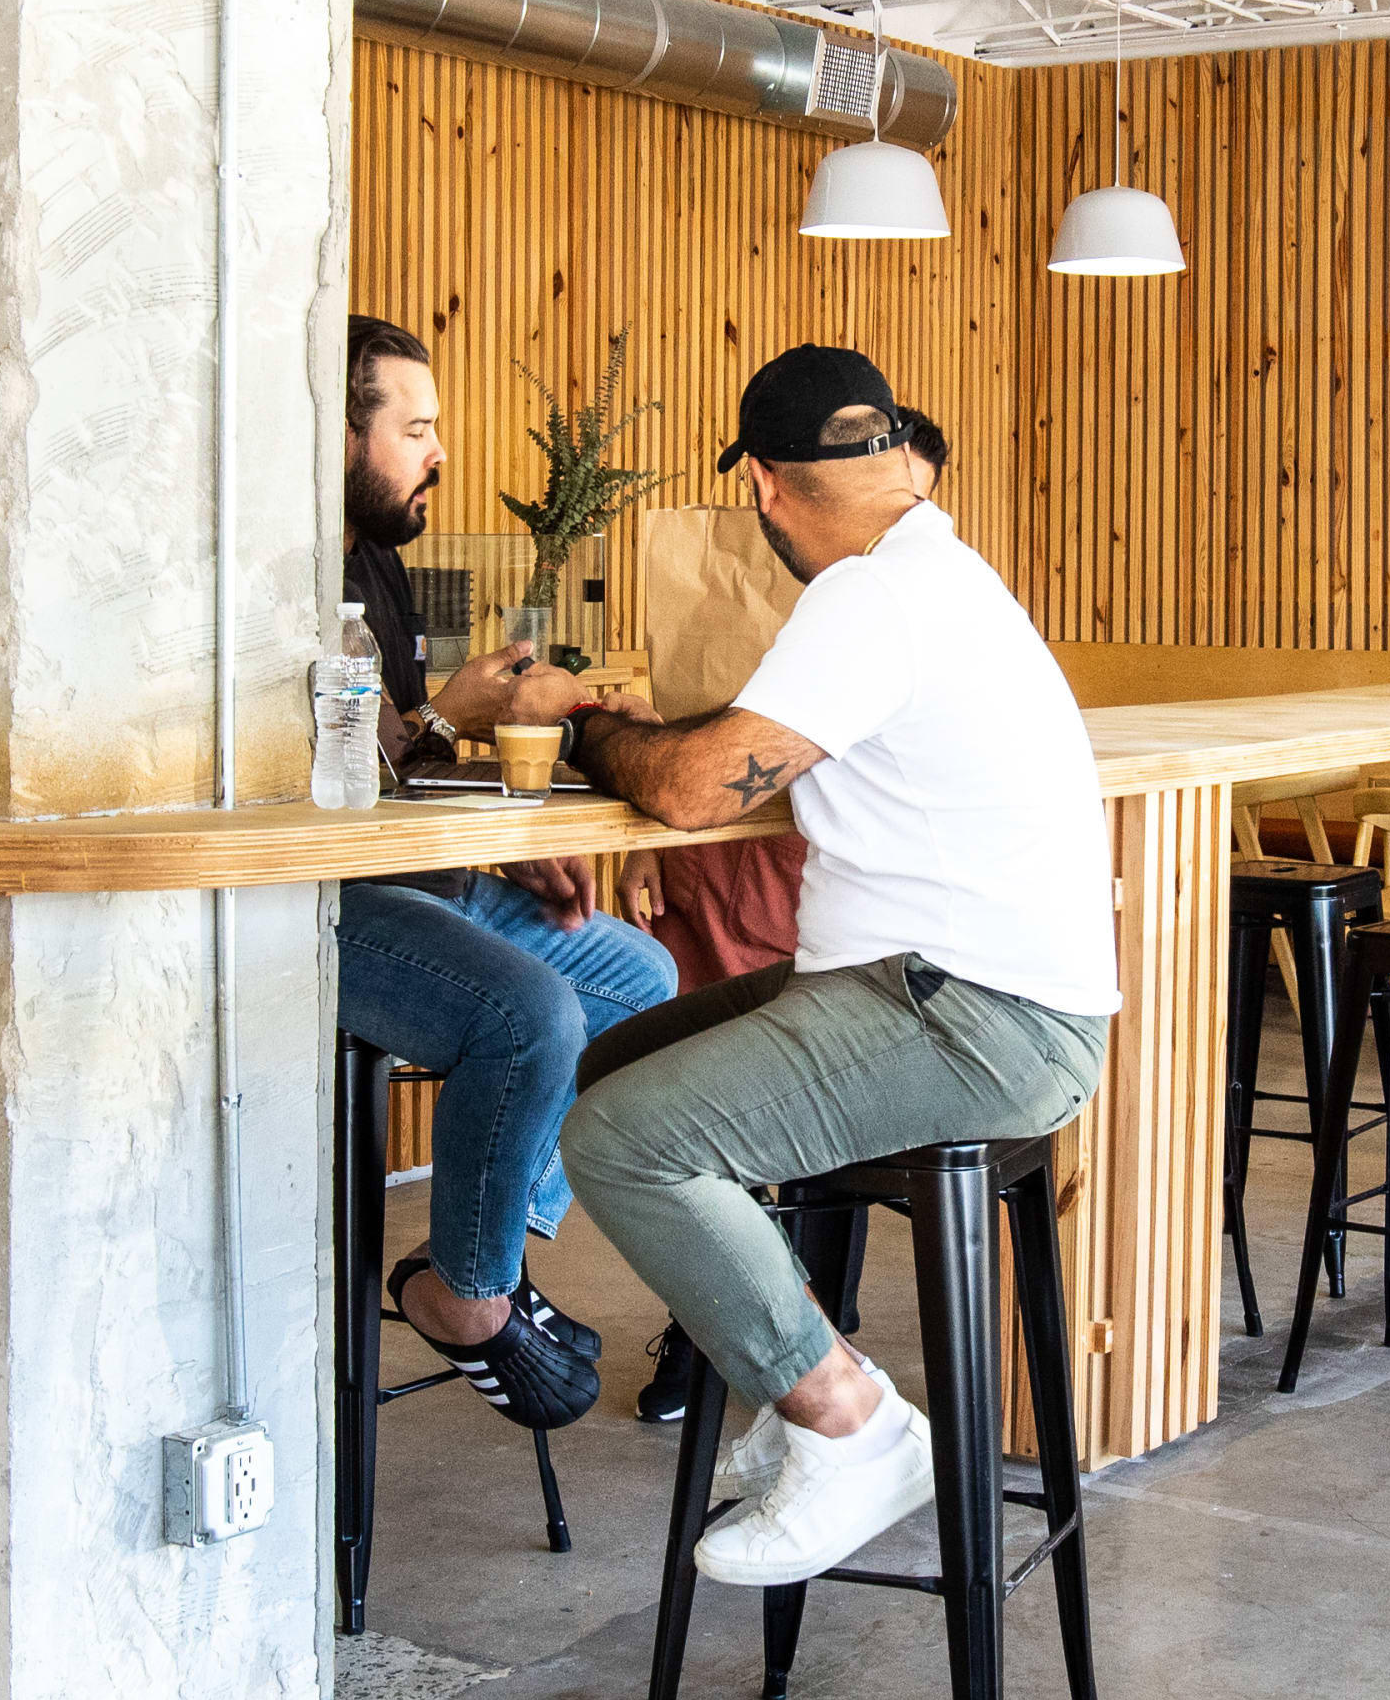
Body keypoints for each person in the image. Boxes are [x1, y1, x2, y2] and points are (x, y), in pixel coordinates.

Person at [522, 347, 1114, 1583]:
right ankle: (781, 1366)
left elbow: (691, 790)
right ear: (898, 456)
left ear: (759, 484)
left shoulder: (872, 597)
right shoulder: (936, 574)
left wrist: (589, 736)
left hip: (974, 1016)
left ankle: (850, 1425)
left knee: (628, 1141)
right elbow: (751, 750)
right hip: (944, 988)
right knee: (616, 1061)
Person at [339, 315, 680, 1429]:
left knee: (638, 981)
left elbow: (402, 768)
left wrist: (508, 841)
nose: (439, 453)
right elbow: (313, 780)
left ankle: (487, 1253)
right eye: (417, 429)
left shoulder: (382, 565)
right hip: (312, 905)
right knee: (531, 1014)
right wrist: (451, 712)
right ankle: (476, 1304)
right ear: (337, 437)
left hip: (424, 876)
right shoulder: (267, 574)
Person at [624, 395, 953, 1424]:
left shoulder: (904, 604)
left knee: (804, 1124)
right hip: (721, 861)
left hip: (830, 880)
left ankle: (819, 1340)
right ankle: (721, 1325)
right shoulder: (842, 589)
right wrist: (632, 843)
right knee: (670, 1099)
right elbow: (687, 762)